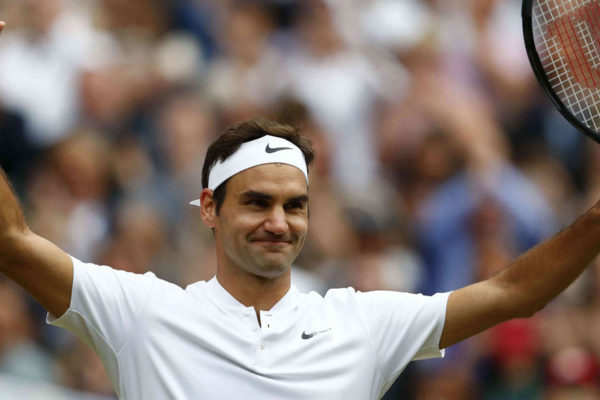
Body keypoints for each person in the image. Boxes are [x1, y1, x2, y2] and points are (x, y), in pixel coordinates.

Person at [1, 20, 600, 399]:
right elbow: (12, 240)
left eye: (295, 205)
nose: (279, 222)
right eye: (257, 202)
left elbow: (514, 293)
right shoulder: (142, 313)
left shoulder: (363, 324)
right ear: (209, 209)